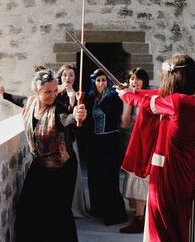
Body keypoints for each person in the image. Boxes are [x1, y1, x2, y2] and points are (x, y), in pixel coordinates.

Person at [117, 53, 195, 242]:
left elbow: (150, 101)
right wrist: (132, 92)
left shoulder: (178, 104)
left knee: (162, 237)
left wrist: (127, 96)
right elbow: (156, 95)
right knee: (176, 235)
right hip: (185, 173)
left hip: (166, 177)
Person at [0, 66, 87, 242]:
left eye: (55, 91)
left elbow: (67, 120)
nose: (53, 95)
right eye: (48, 91)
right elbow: (19, 100)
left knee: (58, 213)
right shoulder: (31, 102)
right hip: (40, 165)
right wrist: (3, 94)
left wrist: (77, 117)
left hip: (62, 168)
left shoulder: (59, 109)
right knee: (29, 204)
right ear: (37, 91)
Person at [85, 69, 127, 226]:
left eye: (103, 80)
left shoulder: (113, 97)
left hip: (110, 140)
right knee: (96, 176)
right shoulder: (91, 98)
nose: (101, 83)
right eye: (98, 80)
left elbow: (118, 114)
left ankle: (115, 214)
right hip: (95, 141)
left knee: (109, 177)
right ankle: (99, 209)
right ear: (94, 83)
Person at [119, 68, 154, 233]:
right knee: (136, 175)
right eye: (132, 79)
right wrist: (127, 103)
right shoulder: (132, 98)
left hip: (149, 142)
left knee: (143, 176)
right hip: (138, 141)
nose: (134, 82)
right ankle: (141, 215)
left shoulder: (149, 95)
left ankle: (140, 218)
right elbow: (125, 124)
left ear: (144, 81)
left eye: (138, 79)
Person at [56, 64, 92, 219]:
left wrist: (72, 98)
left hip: (70, 138)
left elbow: (73, 118)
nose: (68, 78)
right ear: (60, 77)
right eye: (65, 75)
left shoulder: (78, 95)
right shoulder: (53, 92)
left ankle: (74, 207)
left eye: (71, 75)